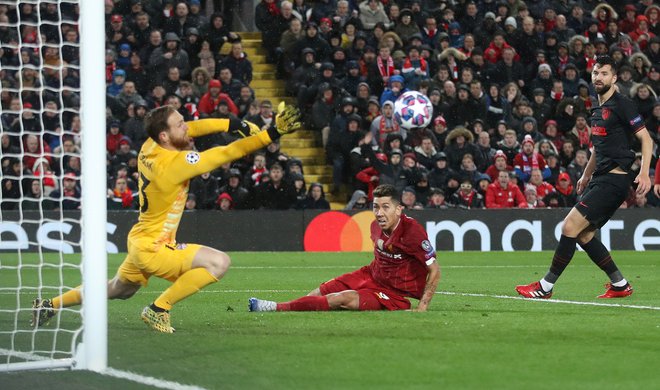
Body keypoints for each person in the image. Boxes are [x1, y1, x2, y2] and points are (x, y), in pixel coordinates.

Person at [31, 103, 301, 333]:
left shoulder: (150, 146)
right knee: (219, 262)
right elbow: (228, 153)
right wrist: (272, 133)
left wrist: (232, 123)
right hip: (155, 247)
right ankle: (159, 308)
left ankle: (49, 305)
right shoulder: (175, 164)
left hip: (140, 239)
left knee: (118, 289)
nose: (187, 127)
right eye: (180, 124)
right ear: (165, 134)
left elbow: (193, 129)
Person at [516, 56, 653, 299]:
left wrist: (644, 173)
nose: (599, 77)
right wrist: (586, 174)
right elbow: (597, 146)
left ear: (614, 78)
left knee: (569, 226)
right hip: (601, 178)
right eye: (596, 72)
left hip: (614, 180)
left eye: (604, 73)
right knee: (584, 234)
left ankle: (545, 287)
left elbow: (646, 139)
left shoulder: (623, 104)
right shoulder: (597, 108)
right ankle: (620, 284)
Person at [249, 184, 441, 312]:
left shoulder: (412, 232)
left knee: (342, 298)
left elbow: (435, 270)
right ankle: (297, 308)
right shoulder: (375, 226)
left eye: (385, 207)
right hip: (371, 274)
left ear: (399, 209)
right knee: (321, 290)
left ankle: (274, 307)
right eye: (376, 207)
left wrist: (422, 306)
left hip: (393, 293)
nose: (379, 213)